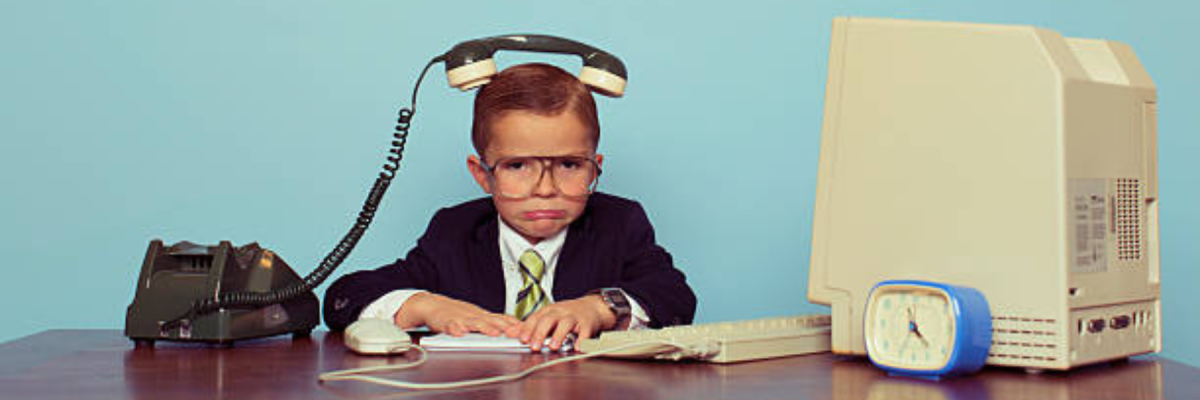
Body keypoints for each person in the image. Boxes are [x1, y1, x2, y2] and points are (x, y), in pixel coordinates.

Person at [323, 63, 696, 351]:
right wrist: (425, 306)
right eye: (517, 166)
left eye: (569, 165)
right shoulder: (453, 233)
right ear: (483, 175)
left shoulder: (619, 224)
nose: (546, 189)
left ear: (594, 165)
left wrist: (601, 307)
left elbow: (675, 296)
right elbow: (343, 297)